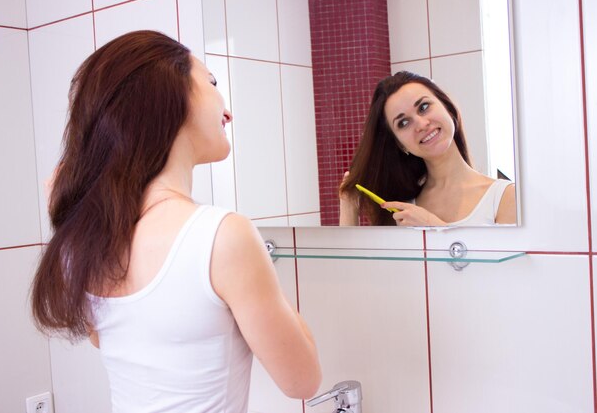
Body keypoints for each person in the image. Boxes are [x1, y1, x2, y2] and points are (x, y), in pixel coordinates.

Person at [31, 30, 321, 412]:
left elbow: (110, 339)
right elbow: (303, 380)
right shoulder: (222, 236)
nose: (228, 111)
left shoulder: (82, 242)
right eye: (212, 82)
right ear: (173, 96)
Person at [339, 71, 516, 227]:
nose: (422, 124)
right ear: (399, 143)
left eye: (424, 107)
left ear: (447, 107)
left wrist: (433, 227)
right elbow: (353, 265)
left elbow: (512, 266)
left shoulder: (504, 197)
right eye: (403, 123)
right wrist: (348, 205)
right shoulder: (400, 211)